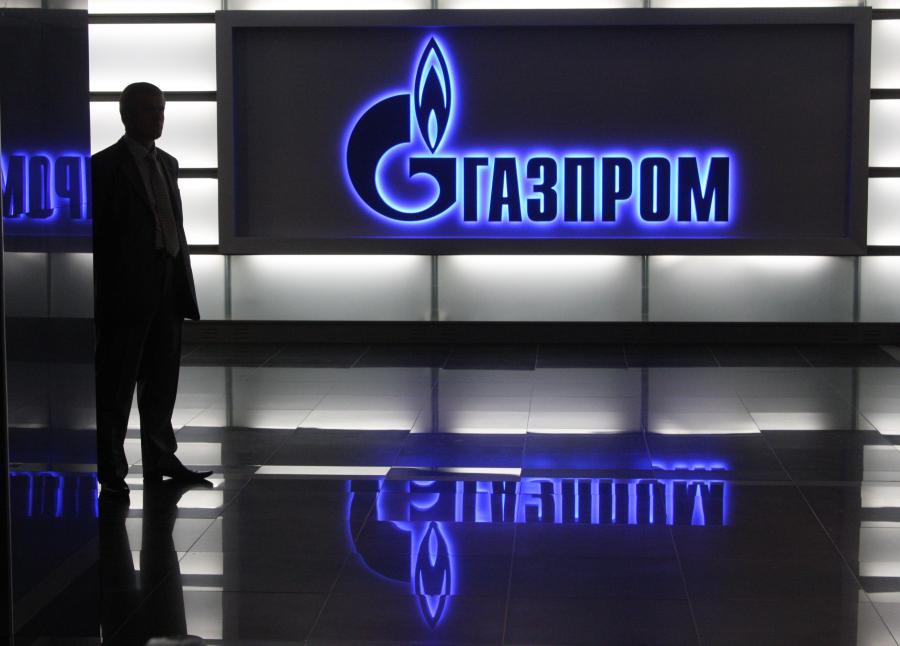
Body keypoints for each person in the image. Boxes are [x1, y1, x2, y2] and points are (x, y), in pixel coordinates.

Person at [92, 82, 211, 497]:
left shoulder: (168, 163)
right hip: (126, 289)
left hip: (167, 280)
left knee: (162, 377)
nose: (158, 118)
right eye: (149, 110)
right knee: (117, 380)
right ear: (127, 115)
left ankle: (160, 455)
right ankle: (111, 466)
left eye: (161, 109)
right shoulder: (104, 166)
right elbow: (102, 234)